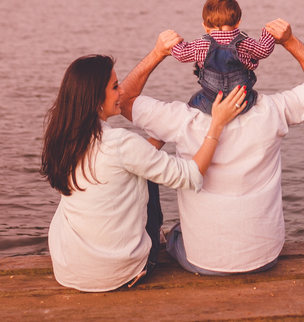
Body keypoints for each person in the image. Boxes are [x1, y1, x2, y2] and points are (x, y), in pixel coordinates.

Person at [119, 19, 304, 276]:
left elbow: (122, 100)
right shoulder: (273, 111)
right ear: (248, 68)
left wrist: (158, 52)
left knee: (173, 226)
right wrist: (289, 41)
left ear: (200, 71)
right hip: (265, 257)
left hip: (202, 261)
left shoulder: (181, 119)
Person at [41, 48, 247, 292]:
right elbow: (191, 176)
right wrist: (217, 124)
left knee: (142, 167)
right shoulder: (121, 143)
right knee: (149, 174)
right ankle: (151, 242)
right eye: (115, 87)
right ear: (96, 98)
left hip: (68, 268)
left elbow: (129, 158)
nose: (121, 92)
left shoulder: (63, 137)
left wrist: (165, 131)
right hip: (120, 274)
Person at [169, 0, 279, 115]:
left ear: (205, 27)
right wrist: (268, 34)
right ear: (238, 23)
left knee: (195, 99)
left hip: (211, 103)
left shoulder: (201, 45)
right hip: (242, 101)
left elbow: (181, 54)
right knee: (252, 93)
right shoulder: (245, 42)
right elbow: (264, 50)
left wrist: (175, 42)